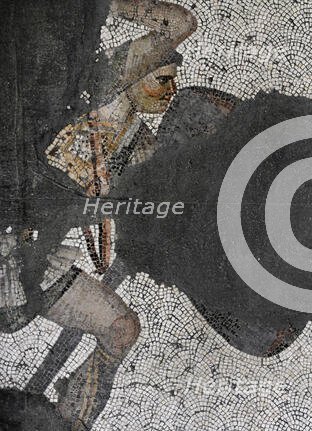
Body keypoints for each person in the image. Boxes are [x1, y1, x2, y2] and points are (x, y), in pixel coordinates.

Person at [0, 1, 197, 429]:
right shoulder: (104, 82)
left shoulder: (139, 142)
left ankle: (70, 423)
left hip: (34, 257)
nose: (169, 93)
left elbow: (157, 202)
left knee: (121, 329)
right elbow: (181, 23)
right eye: (161, 80)